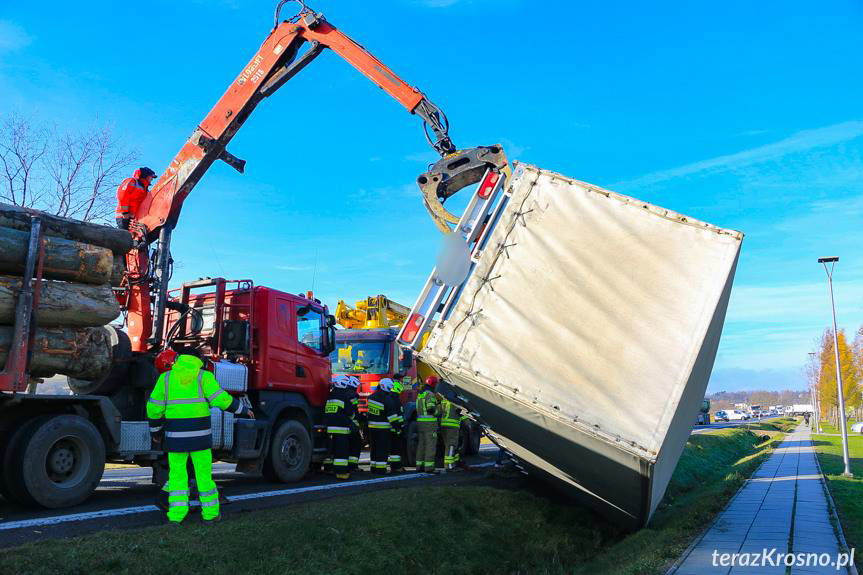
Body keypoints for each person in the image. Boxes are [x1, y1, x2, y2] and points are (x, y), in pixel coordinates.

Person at [146, 351, 253, 524]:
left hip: (176, 439)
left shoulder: (165, 379)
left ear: (178, 359)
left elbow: (153, 408)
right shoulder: (204, 376)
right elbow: (221, 399)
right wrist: (241, 409)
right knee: (204, 477)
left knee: (177, 477)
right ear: (199, 360)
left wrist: (156, 432)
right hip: (200, 439)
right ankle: (211, 515)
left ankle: (176, 516)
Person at [325, 375, 357, 480]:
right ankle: (342, 473)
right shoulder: (344, 396)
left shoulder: (330, 395)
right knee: (342, 452)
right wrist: (351, 422)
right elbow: (350, 412)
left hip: (330, 428)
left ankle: (330, 469)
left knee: (332, 450)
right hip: (341, 428)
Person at [367, 378, 397, 474]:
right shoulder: (387, 399)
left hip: (371, 427)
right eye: (389, 387)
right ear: (384, 386)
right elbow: (392, 417)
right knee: (382, 449)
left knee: (374, 448)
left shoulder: (371, 397)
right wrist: (397, 427)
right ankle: (381, 469)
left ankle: (373, 467)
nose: (390, 390)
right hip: (383, 429)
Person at [415, 376, 440, 473]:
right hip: (429, 424)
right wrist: (439, 410)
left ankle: (419, 466)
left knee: (421, 444)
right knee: (430, 444)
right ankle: (429, 467)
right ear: (433, 384)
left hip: (420, 423)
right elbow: (431, 409)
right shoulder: (430, 394)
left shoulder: (421, 394)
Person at [439, 390, 462, 472]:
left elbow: (439, 412)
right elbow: (461, 414)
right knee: (451, 445)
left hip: (443, 425)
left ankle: (455, 462)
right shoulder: (456, 403)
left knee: (448, 446)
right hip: (452, 426)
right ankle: (449, 466)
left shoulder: (443, 401)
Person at [386, 378, 405, 472]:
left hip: (388, 428)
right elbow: (398, 415)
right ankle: (396, 467)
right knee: (396, 449)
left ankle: (394, 466)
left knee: (391, 449)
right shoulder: (396, 400)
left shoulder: (388, 397)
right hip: (395, 428)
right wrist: (400, 427)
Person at [346, 376, 362, 472]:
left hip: (344, 423)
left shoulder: (345, 393)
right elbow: (354, 410)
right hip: (351, 424)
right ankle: (353, 466)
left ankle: (350, 465)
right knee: (356, 444)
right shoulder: (353, 395)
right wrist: (359, 419)